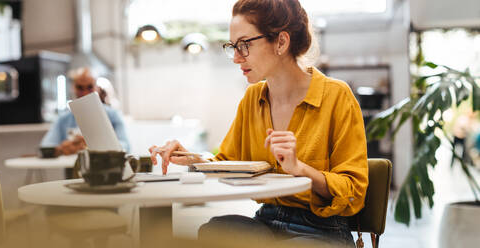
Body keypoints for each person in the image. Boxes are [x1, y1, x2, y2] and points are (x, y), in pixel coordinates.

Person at [148, 0, 368, 247]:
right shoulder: (253, 99)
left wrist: (300, 168)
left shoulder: (337, 96)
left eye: (244, 45)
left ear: (281, 42)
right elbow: (228, 162)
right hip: (267, 221)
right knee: (216, 230)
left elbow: (353, 192)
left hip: (323, 229)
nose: (236, 58)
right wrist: (191, 157)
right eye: (233, 46)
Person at [41, 68, 130, 155]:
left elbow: (126, 146)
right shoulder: (63, 120)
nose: (85, 93)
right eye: (80, 88)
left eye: (90, 87)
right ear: (73, 88)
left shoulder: (113, 116)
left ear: (97, 88)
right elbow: (45, 147)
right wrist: (61, 148)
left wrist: (98, 145)